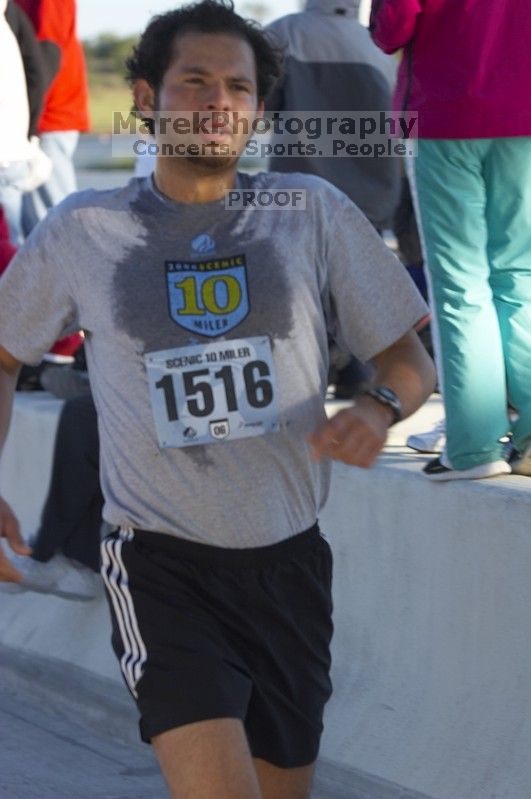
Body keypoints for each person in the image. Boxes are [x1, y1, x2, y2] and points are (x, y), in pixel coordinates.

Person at [0, 3, 435, 797]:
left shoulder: (309, 212)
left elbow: (407, 356)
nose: (217, 103)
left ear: (260, 112)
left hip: (290, 565)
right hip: (160, 564)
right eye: (193, 81)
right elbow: (3, 352)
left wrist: (375, 407)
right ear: (144, 99)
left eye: (238, 87)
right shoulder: (85, 227)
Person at [371, 0, 531, 480]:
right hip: (524, 115)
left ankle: (474, 446)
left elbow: (391, 28)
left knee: (460, 284)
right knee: (520, 275)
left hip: (444, 115)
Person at [265, 0, 401, 399]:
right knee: (358, 277)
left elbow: (264, 105)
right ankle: (357, 369)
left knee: (303, 277)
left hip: (302, 178)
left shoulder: (285, 33)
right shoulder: (379, 44)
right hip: (373, 185)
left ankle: (313, 366)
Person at [15, 0, 90, 230]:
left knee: (51, 223)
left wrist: (28, 122)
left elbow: (48, 51)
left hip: (47, 115)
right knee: (30, 224)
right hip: (32, 118)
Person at [0, 0, 51, 244]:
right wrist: (28, 136)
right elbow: (38, 73)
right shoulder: (10, 15)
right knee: (10, 246)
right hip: (12, 151)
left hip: (8, 152)